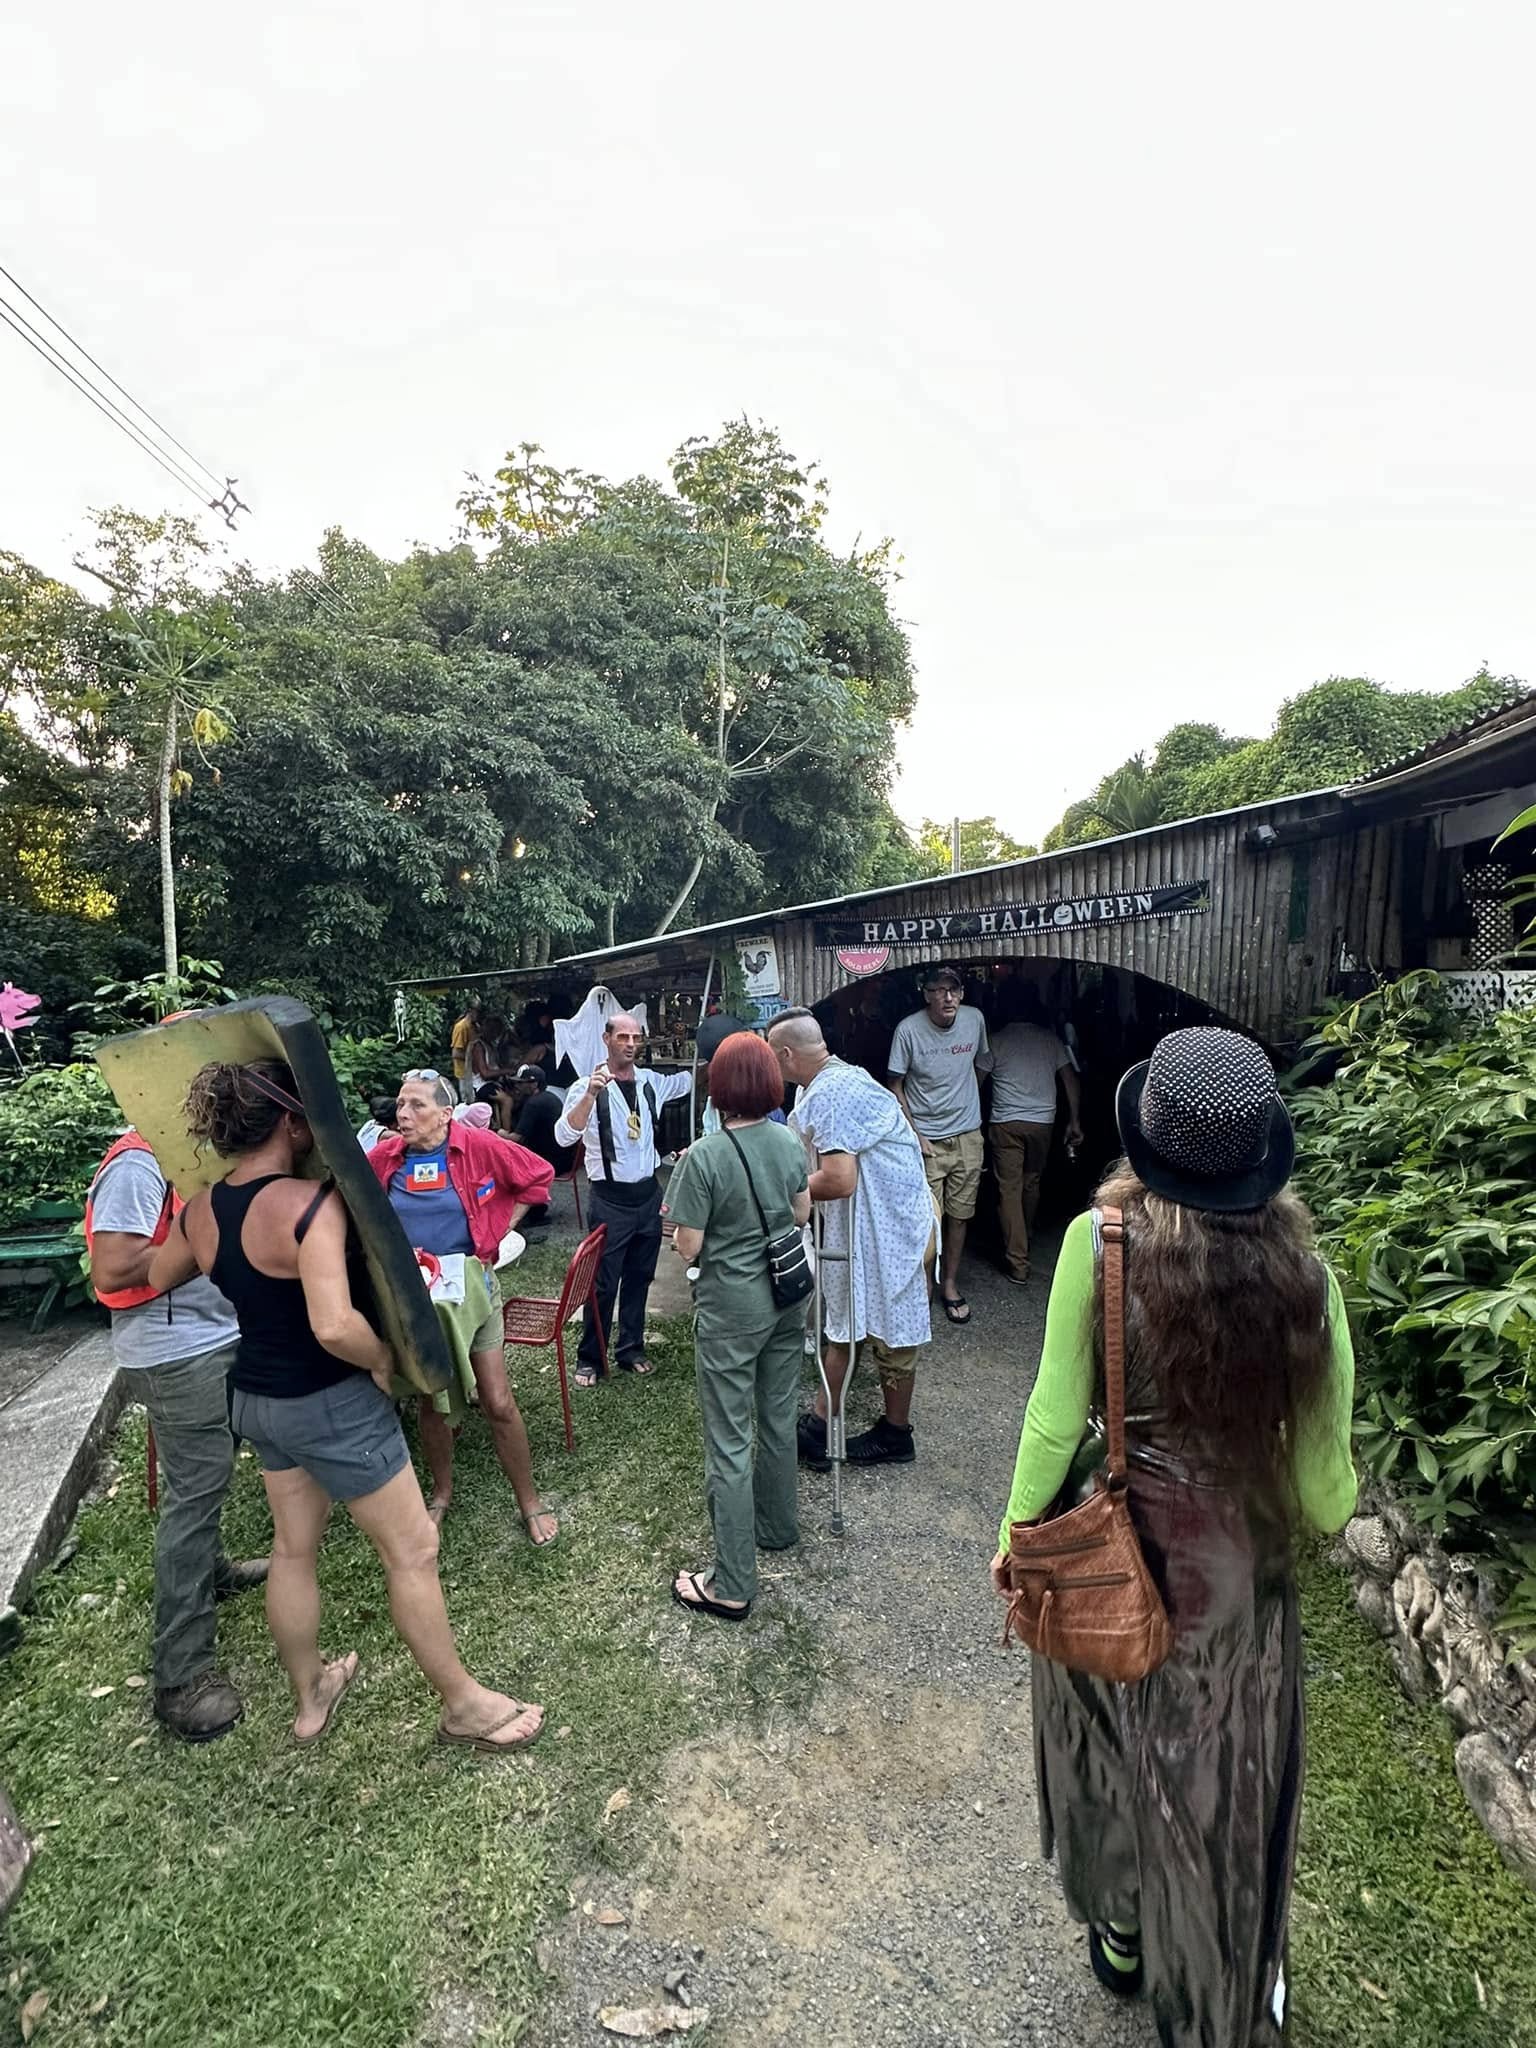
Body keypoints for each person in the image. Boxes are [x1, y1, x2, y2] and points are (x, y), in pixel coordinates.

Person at [990, 1028, 1357, 2042]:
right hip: (1237, 1591)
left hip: (1112, 1556)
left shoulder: (1095, 1248)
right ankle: (1212, 1991)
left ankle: (1120, 1932)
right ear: (1258, 1160)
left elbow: (1055, 1418)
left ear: (1146, 1143)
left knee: (1108, 1742)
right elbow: (1328, 1500)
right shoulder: (1311, 1287)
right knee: (1214, 1785)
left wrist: (1021, 1535)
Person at [147, 1060, 543, 1751]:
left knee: (293, 1549)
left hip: (256, 1398)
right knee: (413, 1548)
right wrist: (382, 1359)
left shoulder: (202, 1208)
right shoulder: (309, 1205)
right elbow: (334, 1325)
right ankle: (464, 1707)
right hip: (327, 1398)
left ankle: (311, 1696)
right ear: (291, 1123)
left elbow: (156, 1274)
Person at [85, 1130, 268, 1742]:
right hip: (174, 1354)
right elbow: (112, 1269)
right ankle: (180, 1676)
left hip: (209, 1341)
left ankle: (211, 1569)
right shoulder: (139, 1162)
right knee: (194, 1493)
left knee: (205, 1479)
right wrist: (199, 1242)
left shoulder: (193, 1155)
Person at [367, 1070, 558, 1541]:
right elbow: (346, 1202)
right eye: (400, 1105)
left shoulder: (476, 1145)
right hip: (415, 1299)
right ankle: (441, 1494)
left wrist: (496, 1233)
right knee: (434, 1399)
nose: (404, 1115)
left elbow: (538, 1175)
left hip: (474, 1290)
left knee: (497, 1400)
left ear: (446, 1114)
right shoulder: (385, 1157)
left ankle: (529, 1503)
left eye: (417, 1106)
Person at [663, 1032, 811, 1619]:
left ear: (718, 1088)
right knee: (776, 1418)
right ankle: (776, 1526)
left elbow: (689, 1245)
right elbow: (800, 1212)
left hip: (732, 1310)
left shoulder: (704, 1155)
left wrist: (681, 1235)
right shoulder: (789, 1139)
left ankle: (731, 1583)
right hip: (787, 1298)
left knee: (728, 1438)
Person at [767, 1010, 934, 1469]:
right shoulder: (825, 1082)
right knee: (846, 1321)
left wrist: (778, 1192)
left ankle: (896, 1435)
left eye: (773, 1057)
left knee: (891, 1329)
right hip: (868, 1224)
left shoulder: (834, 1092)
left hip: (888, 1228)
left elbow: (839, 1179)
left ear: (786, 1054)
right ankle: (822, 1424)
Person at [555, 1013, 693, 1387]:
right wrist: (590, 1095)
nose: (631, 1044)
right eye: (623, 1037)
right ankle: (591, 1357)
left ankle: (630, 1347)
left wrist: (717, 1052)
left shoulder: (650, 1082)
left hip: (648, 1196)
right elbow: (564, 1137)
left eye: (636, 1038)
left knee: (640, 1277)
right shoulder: (587, 1086)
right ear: (607, 1039)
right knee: (602, 1283)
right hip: (610, 1201)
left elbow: (690, 1079)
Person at [887, 964, 992, 1326]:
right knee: (928, 1220)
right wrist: (915, 1135)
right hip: (927, 1138)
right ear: (926, 994)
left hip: (967, 1135)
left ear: (962, 994)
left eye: (954, 989)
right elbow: (895, 1084)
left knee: (961, 1215)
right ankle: (922, 1291)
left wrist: (968, 1100)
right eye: (939, 989)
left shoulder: (974, 1020)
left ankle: (949, 1284)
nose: (948, 997)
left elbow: (982, 1064)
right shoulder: (908, 1031)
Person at [987, 988, 1083, 1287]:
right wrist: (1075, 1120)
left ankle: (1018, 1262)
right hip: (1043, 1122)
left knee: (1009, 1190)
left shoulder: (995, 1041)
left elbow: (973, 1081)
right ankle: (1025, 1234)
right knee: (1032, 1181)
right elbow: (1071, 1079)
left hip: (1006, 1123)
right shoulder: (1050, 1040)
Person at [507, 1065, 576, 1229]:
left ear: (533, 1084)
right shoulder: (550, 1097)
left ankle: (532, 1214)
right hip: (565, 1156)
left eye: (521, 1083)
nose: (517, 1086)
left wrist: (497, 1133)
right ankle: (535, 1209)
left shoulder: (534, 1104)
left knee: (514, 1168)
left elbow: (516, 1138)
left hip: (553, 1162)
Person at [450, 996, 482, 1102]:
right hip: (465, 1073)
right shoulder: (461, 1027)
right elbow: (456, 1053)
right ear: (470, 1011)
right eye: (477, 1011)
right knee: (468, 1102)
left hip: (475, 1073)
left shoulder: (474, 1026)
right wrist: (476, 1058)